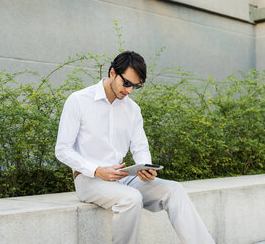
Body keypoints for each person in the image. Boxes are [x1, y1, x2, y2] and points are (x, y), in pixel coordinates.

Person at [55, 51, 215, 244]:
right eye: (127, 83)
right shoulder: (78, 100)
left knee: (174, 190)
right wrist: (97, 170)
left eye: (135, 86)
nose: (129, 90)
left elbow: (140, 147)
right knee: (131, 198)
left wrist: (144, 168)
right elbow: (62, 149)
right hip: (89, 180)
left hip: (123, 178)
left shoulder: (132, 109)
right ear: (113, 73)